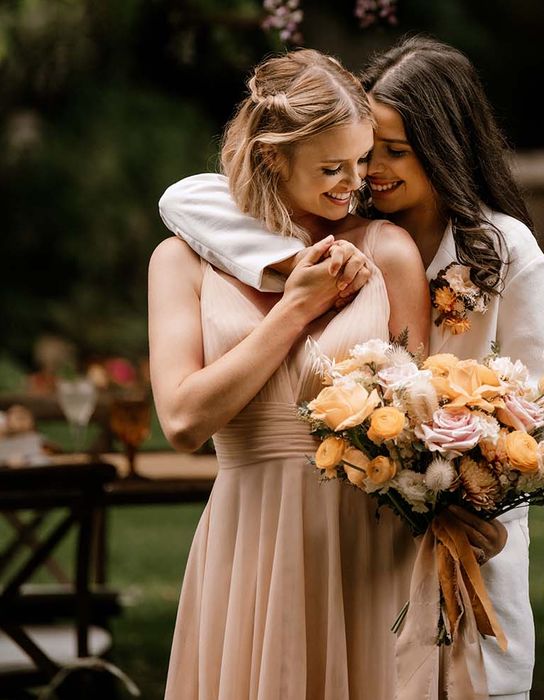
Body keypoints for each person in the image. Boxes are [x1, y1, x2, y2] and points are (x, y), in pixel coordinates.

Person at [159, 37, 544, 700]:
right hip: (256, 534)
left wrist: (478, 502)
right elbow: (182, 198)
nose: (364, 176)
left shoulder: (469, 249)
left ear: (444, 150)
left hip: (426, 528)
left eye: (383, 155)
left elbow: (538, 414)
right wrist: (293, 280)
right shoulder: (316, 236)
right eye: (350, 161)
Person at [150, 48, 432, 700]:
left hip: (362, 550)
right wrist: (297, 307)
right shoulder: (180, 263)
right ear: (273, 156)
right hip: (246, 544)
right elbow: (184, 420)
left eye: (362, 161)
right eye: (331, 167)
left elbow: (423, 416)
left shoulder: (386, 252)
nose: (354, 183)